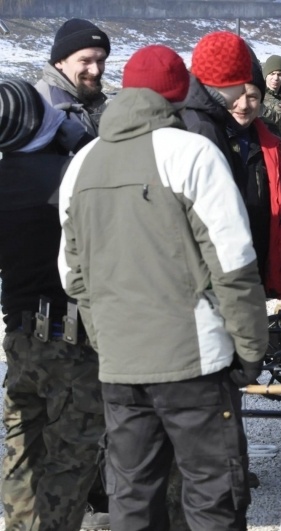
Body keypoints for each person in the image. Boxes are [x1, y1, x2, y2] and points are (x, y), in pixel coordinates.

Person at [58, 45, 271, 530]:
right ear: (180, 94)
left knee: (132, 500)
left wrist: (107, 340)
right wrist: (251, 350)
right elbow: (235, 267)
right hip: (194, 363)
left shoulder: (82, 164)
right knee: (213, 497)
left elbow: (73, 277)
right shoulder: (193, 153)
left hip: (119, 367)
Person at [0, 79, 103, 530]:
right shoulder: (69, 176)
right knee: (70, 459)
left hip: (20, 335)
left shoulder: (7, 179)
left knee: (20, 452)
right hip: (71, 338)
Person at [228, 46, 281, 307]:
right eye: (237, 96)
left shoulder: (271, 148)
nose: (244, 105)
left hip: (259, 272)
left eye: (253, 97)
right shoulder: (208, 142)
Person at [181, 30, 252, 196]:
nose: (243, 90)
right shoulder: (202, 128)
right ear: (228, 79)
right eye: (242, 81)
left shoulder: (197, 114)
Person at [35, 18, 110, 137]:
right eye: (85, 61)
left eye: (100, 60)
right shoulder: (44, 109)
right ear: (59, 62)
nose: (95, 71)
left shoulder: (87, 96)